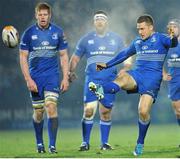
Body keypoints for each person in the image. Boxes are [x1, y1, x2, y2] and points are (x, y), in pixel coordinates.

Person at [88, 14, 178, 156]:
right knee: (123, 76)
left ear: (150, 27)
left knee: (143, 112)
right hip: (137, 74)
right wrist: (106, 65)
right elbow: (124, 54)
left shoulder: (161, 38)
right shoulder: (137, 41)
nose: (140, 32)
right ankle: (100, 89)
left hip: (152, 80)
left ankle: (140, 143)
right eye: (138, 29)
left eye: (142, 29)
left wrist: (173, 36)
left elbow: (173, 43)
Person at [69, 10, 132, 151]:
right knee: (89, 110)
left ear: (106, 22)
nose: (99, 21)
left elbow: (127, 54)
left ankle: (105, 143)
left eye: (102, 19)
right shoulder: (86, 39)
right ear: (94, 22)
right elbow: (75, 58)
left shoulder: (116, 39)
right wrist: (70, 71)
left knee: (105, 112)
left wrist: (127, 67)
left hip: (109, 81)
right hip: (93, 80)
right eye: (97, 19)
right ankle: (85, 142)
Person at [19, 2, 69, 153]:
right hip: (35, 78)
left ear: (49, 15)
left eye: (45, 14)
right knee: (39, 112)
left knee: (51, 106)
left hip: (52, 77)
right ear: (36, 15)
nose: (42, 17)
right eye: (40, 14)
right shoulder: (28, 34)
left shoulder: (58, 32)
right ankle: (39, 143)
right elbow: (22, 57)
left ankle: (52, 145)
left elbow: (64, 56)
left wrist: (65, 77)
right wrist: (28, 79)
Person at [163, 19, 180, 147]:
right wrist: (163, 74)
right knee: (178, 110)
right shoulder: (165, 44)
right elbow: (158, 61)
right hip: (174, 80)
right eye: (170, 27)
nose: (172, 29)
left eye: (175, 26)